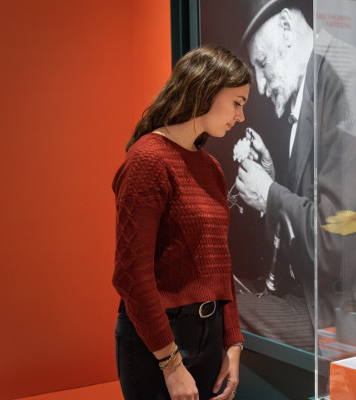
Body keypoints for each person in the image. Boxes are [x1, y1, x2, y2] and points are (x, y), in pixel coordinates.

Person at [233, 0, 356, 353]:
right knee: (215, 295)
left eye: (262, 64)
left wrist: (271, 195)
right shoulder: (317, 81)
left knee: (215, 310)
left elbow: (338, 239)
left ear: (287, 28)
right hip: (320, 300)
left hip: (349, 317)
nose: (260, 87)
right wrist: (273, 180)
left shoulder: (342, 78)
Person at [112, 45, 251, 400]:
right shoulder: (148, 160)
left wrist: (233, 343)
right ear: (206, 88)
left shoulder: (211, 168)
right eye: (236, 102)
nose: (241, 116)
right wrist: (171, 363)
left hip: (209, 331)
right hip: (159, 339)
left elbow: (220, 264)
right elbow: (131, 274)